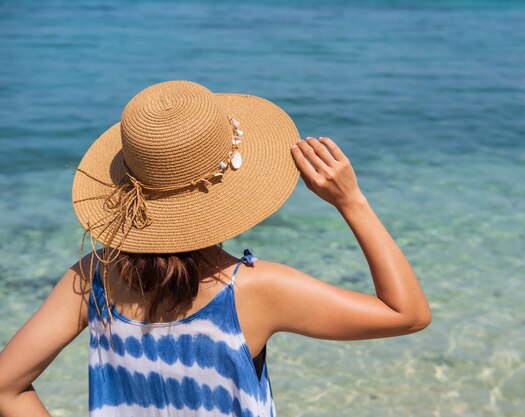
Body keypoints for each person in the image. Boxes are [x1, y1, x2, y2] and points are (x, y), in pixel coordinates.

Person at [0, 80, 431, 416]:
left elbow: (6, 388)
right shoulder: (253, 291)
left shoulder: (93, 279)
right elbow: (407, 315)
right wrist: (351, 201)